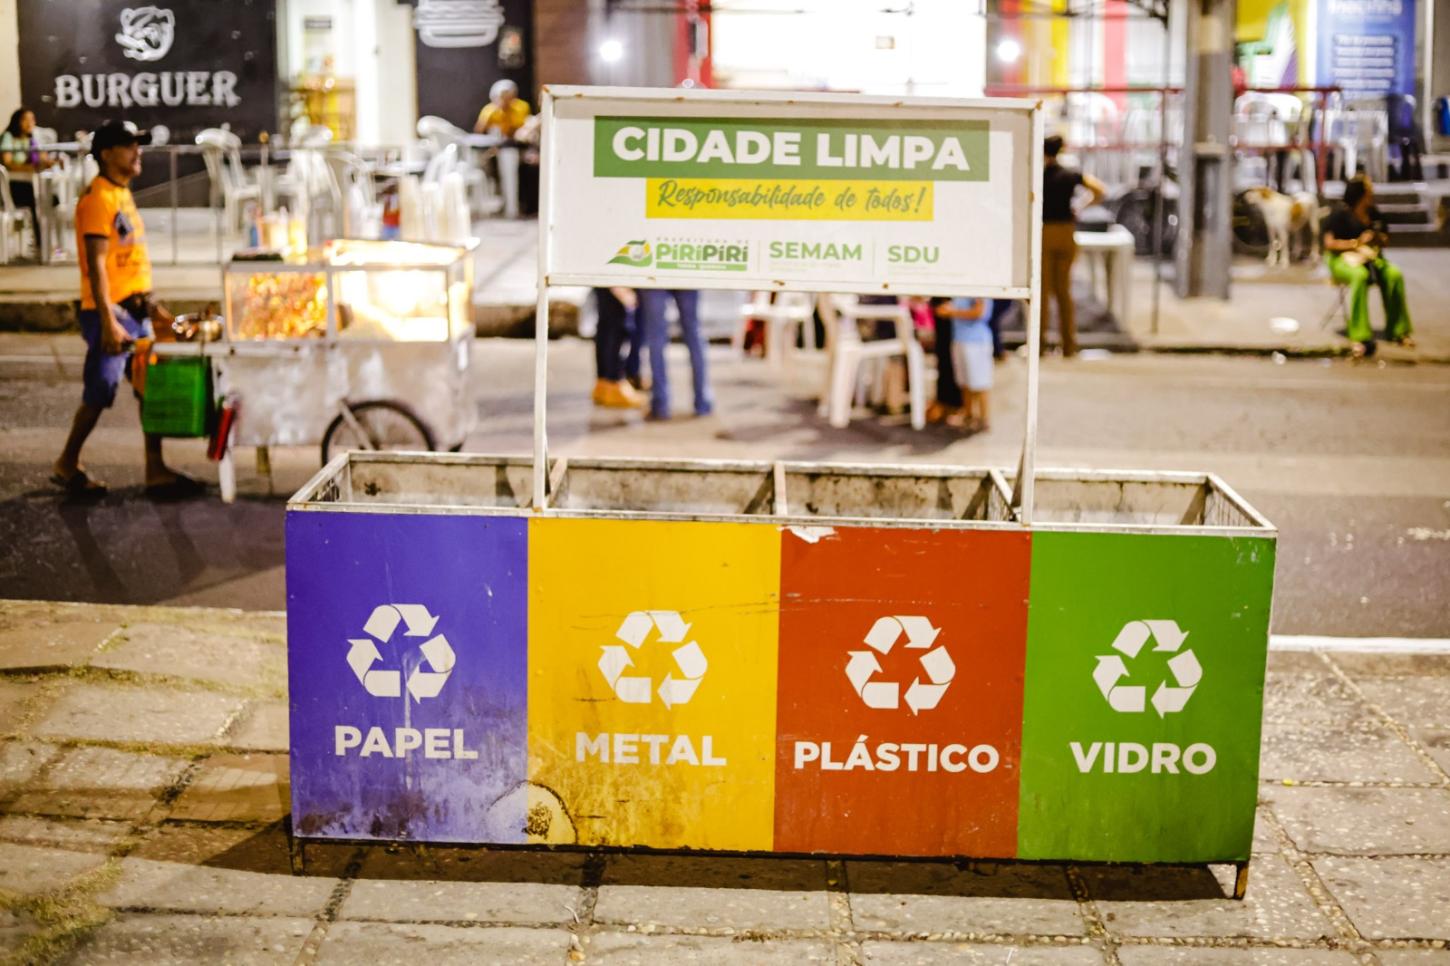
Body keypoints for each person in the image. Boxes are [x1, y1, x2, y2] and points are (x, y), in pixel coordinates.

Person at [51, 120, 202, 500]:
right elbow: (97, 265)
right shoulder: (97, 199)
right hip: (110, 313)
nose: (138, 152)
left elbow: (127, 260)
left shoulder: (120, 194)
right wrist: (107, 321)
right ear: (106, 154)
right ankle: (67, 462)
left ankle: (155, 469)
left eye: (138, 145)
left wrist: (151, 307)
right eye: (129, 146)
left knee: (149, 388)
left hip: (133, 310)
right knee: (100, 390)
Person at [1323, 174, 1414, 356]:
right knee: (1360, 276)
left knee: (1394, 274)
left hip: (1370, 257)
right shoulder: (1340, 214)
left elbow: (1385, 240)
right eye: (1368, 190)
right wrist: (1356, 243)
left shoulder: (1374, 214)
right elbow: (1329, 244)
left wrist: (1377, 238)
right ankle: (1360, 334)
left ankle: (1399, 330)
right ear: (1360, 194)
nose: (1372, 193)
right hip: (1343, 259)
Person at [1041, 135, 1107, 358]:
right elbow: (1100, 190)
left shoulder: (1040, 175)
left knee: (1042, 291)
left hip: (1045, 232)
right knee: (1064, 291)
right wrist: (1080, 205)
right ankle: (1069, 345)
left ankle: (1040, 345)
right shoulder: (1071, 174)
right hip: (1067, 232)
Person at [640, 289, 713, 420]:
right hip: (687, 278)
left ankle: (660, 405)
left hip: (655, 279)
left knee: (656, 336)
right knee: (693, 332)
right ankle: (702, 402)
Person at [1, 107, 56, 255]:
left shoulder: (31, 140)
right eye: (26, 120)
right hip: (11, 187)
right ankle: (41, 243)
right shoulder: (8, 137)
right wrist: (29, 168)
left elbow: (42, 159)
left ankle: (45, 242)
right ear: (17, 121)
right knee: (37, 204)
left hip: (30, 184)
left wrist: (49, 162)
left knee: (51, 200)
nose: (30, 123)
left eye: (32, 120)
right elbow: (7, 162)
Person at [937, 297, 995, 431]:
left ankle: (984, 419)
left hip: (976, 341)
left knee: (981, 382)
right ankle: (969, 416)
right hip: (960, 339)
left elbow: (979, 311)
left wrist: (952, 312)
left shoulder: (979, 287)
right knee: (965, 382)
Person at [592, 287, 646, 408]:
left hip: (606, 283)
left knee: (607, 325)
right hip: (616, 282)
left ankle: (603, 384)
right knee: (616, 327)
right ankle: (614, 384)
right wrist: (622, 289)